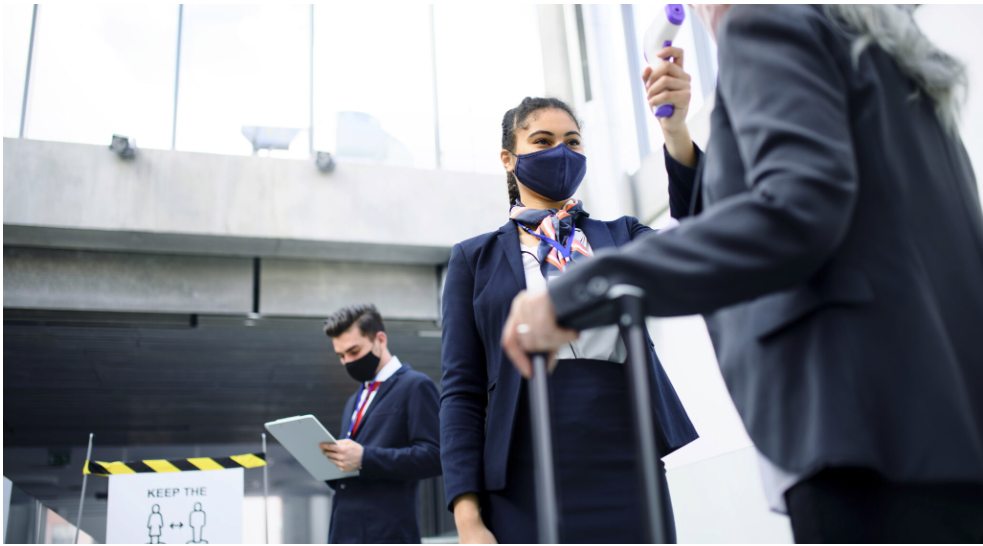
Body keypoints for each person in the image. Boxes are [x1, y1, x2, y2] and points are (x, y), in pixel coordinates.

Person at [501, 5, 983, 543]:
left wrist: (578, 290)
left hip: (858, 426)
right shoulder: (887, 44)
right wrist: (678, 135)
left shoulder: (765, 21)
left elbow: (785, 218)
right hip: (949, 425)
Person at [440, 96, 698, 544]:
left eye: (573, 142)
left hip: (627, 451)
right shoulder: (473, 260)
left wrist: (676, 135)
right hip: (522, 465)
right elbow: (461, 392)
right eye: (542, 141)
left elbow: (698, 248)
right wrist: (467, 517)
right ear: (508, 158)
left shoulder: (621, 236)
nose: (561, 152)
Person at [320, 304, 442, 544]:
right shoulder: (353, 401)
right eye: (341, 356)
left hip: (388, 534)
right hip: (343, 534)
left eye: (354, 351)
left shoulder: (416, 386)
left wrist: (366, 458)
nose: (347, 362)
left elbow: (435, 456)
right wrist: (330, 465)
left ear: (380, 340)